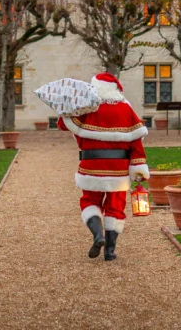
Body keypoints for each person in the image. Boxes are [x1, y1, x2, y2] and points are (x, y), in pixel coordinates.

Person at [57, 72, 149, 261]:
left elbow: (62, 124)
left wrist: (68, 106)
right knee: (116, 206)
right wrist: (139, 169)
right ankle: (110, 251)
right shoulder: (125, 109)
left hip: (91, 166)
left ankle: (98, 235)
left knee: (90, 201)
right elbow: (136, 143)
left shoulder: (86, 108)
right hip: (119, 168)